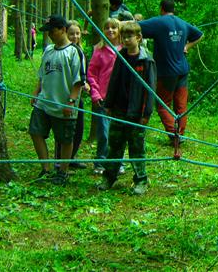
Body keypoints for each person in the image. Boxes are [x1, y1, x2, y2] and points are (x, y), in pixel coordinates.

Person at [97, 21, 156, 195]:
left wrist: (146, 113)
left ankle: (141, 180)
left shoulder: (146, 60)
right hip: (119, 109)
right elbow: (114, 80)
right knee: (114, 145)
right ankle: (109, 177)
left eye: (130, 36)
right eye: (124, 37)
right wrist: (109, 104)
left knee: (137, 148)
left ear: (139, 37)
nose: (126, 40)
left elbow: (150, 89)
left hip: (136, 113)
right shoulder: (121, 56)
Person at [28, 14, 83, 185]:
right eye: (48, 31)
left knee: (65, 139)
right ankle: (45, 169)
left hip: (64, 103)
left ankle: (63, 172)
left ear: (63, 30)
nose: (50, 34)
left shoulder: (74, 52)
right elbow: (42, 74)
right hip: (44, 101)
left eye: (53, 31)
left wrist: (71, 102)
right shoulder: (48, 50)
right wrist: (36, 92)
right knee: (35, 132)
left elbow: (79, 81)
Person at [138, 0, 203, 141]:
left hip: (166, 72)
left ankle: (175, 134)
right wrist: (187, 46)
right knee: (181, 106)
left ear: (161, 8)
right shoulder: (182, 23)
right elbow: (200, 34)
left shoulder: (158, 22)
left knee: (163, 105)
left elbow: (135, 27)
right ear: (173, 9)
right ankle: (180, 134)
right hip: (182, 70)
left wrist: (120, 22)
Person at [87, 17, 122, 174]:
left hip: (120, 98)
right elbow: (92, 74)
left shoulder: (125, 49)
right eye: (107, 28)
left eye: (114, 27)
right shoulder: (99, 50)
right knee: (103, 132)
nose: (110, 30)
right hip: (103, 97)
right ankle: (100, 161)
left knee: (118, 132)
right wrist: (95, 93)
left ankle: (118, 162)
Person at [54, 20, 89, 170]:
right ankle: (59, 160)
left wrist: (85, 82)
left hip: (78, 96)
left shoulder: (81, 51)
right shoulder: (63, 50)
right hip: (66, 96)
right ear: (65, 33)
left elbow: (83, 73)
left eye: (77, 33)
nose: (75, 36)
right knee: (63, 130)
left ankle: (71, 157)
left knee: (78, 129)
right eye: (71, 34)